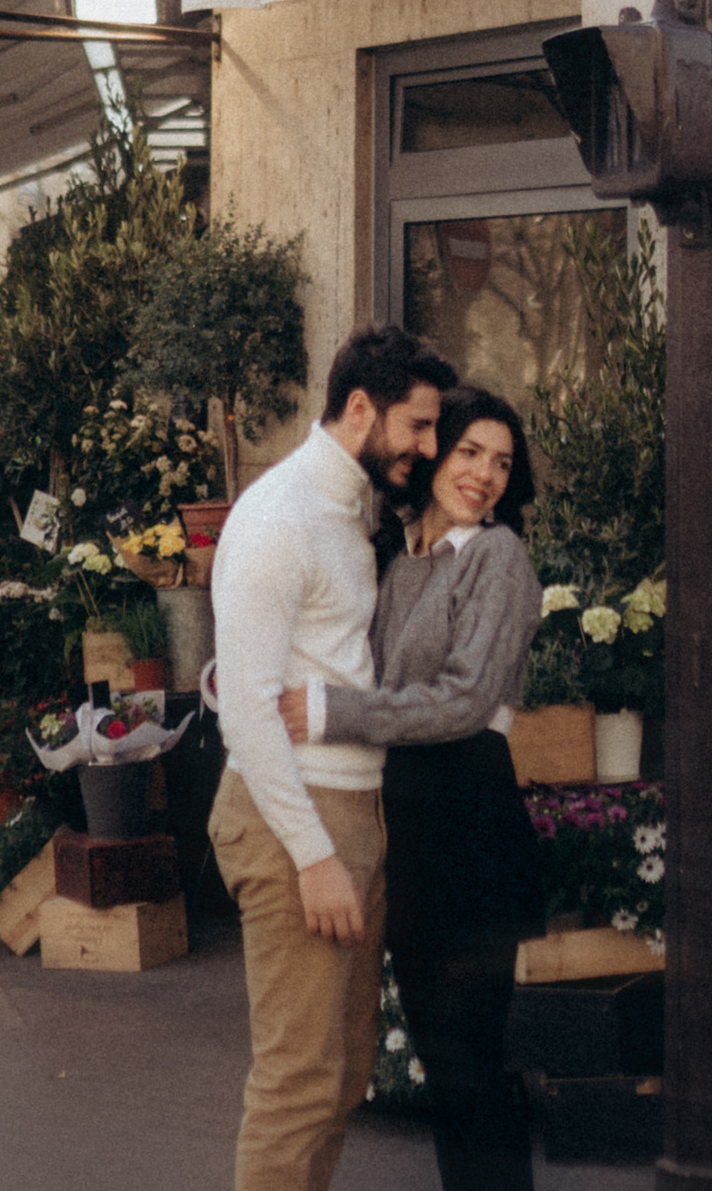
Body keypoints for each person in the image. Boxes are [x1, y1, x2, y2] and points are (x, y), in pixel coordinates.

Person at [277, 385, 544, 1191]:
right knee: (443, 1060)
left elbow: (465, 700)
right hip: (410, 825)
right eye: (469, 452)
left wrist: (335, 712)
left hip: (471, 823)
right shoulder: (396, 557)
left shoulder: (498, 558)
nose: (485, 475)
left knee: (470, 1066)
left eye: (502, 463)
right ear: (432, 455)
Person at [207, 324, 452, 1191]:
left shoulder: (349, 510)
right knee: (299, 1085)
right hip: (296, 819)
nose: (430, 447)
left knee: (342, 1076)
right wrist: (313, 857)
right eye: (418, 426)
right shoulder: (280, 516)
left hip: (351, 808)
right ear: (360, 408)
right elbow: (248, 710)